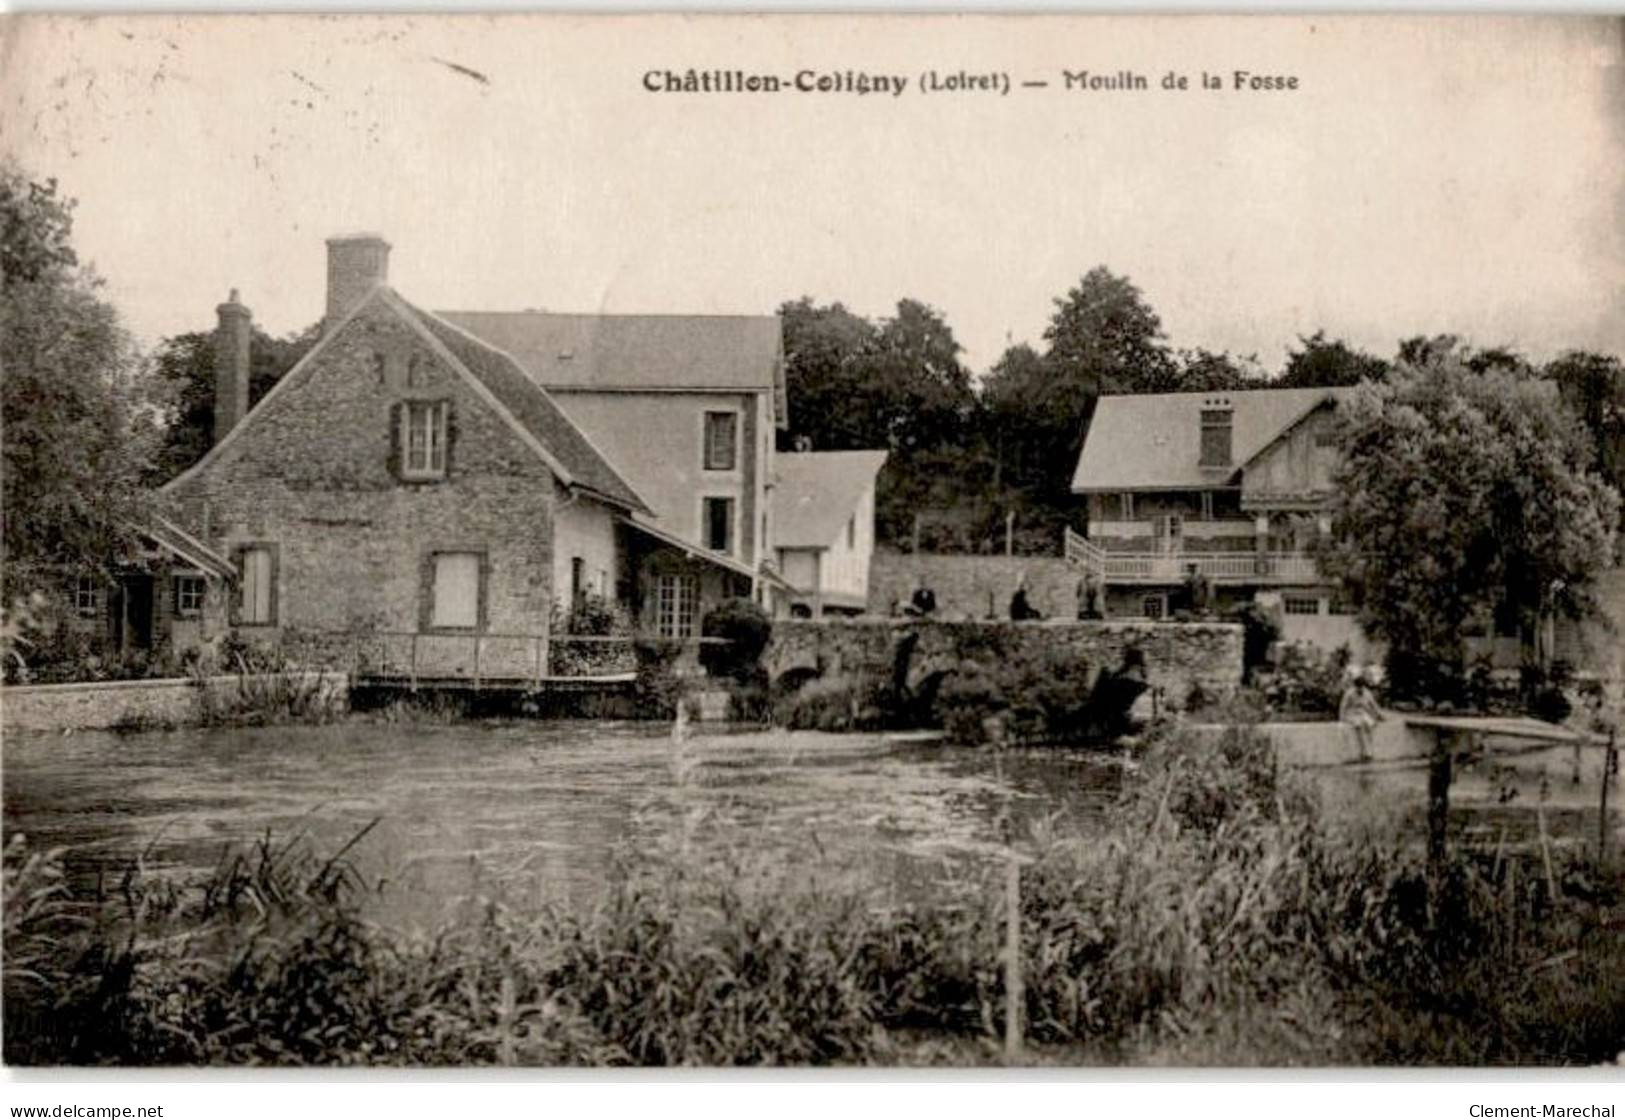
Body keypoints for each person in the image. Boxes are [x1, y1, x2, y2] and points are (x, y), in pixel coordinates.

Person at [1339, 664, 1383, 761]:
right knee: (1359, 725)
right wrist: (1341, 719)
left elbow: (1373, 705)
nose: (1360, 689)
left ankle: (1370, 750)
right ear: (1355, 686)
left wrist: (1379, 714)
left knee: (1370, 724)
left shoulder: (1367, 693)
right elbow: (1343, 706)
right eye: (1358, 687)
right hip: (1352, 714)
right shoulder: (1349, 693)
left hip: (1362, 713)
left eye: (1361, 687)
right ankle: (1364, 751)